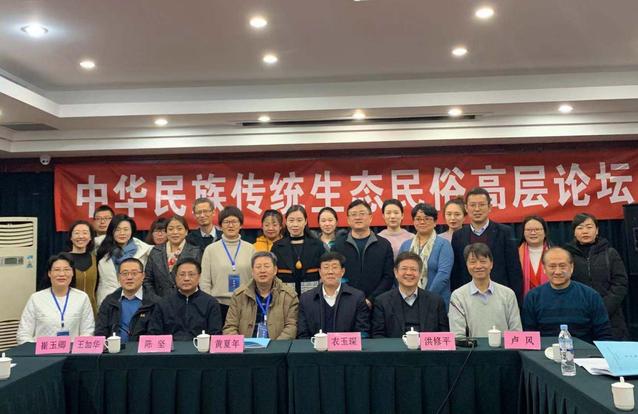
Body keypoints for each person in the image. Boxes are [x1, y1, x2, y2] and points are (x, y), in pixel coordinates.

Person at [522, 247, 613, 342]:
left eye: (562, 266)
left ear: (572, 267)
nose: (557, 272)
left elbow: (604, 335)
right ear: (544, 268)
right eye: (552, 266)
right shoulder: (533, 297)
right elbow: (529, 336)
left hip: (584, 350)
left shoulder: (590, 296)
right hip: (544, 350)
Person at [450, 187, 523, 305]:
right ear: (466, 208)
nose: (477, 209)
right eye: (473, 205)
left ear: (489, 207)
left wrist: (516, 302)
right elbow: (457, 272)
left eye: (481, 205)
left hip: (499, 297)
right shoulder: (458, 235)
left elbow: (514, 269)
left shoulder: (504, 232)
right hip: (468, 298)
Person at [564, 213, 629, 339]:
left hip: (610, 316)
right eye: (580, 228)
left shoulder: (610, 253)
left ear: (597, 230)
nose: (585, 231)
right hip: (579, 315)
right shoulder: (567, 255)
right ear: (574, 232)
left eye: (589, 227)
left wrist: (603, 308)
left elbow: (620, 283)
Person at [17, 253, 94, 344]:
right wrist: (35, 349)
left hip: (72, 351)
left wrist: (76, 349)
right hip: (41, 351)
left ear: (73, 273)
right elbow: (23, 334)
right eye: (57, 270)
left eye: (66, 269)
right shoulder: (36, 298)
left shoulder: (82, 298)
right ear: (49, 273)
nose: (62, 274)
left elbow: (88, 331)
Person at [449, 243, 522, 338]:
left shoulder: (508, 294)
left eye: (483, 261)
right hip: (472, 348)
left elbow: (516, 332)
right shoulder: (458, 296)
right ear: (467, 265)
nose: (478, 266)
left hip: (504, 347)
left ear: (491, 264)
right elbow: (458, 336)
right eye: (473, 262)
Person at [332, 200, 394, 307]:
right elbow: (335, 275)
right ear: (348, 220)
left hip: (378, 304)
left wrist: (371, 300)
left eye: (362, 214)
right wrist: (350, 298)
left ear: (370, 218)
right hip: (345, 303)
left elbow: (388, 277)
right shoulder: (338, 246)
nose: (358, 217)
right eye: (353, 214)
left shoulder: (384, 245)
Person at [371, 252, 449, 338]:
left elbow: (444, 335)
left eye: (413, 269)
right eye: (404, 268)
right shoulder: (382, 302)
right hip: (395, 346)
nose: (409, 273)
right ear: (396, 272)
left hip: (426, 347)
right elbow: (378, 336)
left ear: (420, 273)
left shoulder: (436, 301)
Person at [224, 252, 299, 339]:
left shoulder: (288, 296)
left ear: (275, 270)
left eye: (266, 266)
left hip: (276, 346)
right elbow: (230, 327)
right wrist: (242, 345)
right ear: (252, 271)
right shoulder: (239, 295)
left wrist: (275, 346)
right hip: (246, 346)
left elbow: (291, 327)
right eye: (258, 267)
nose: (262, 270)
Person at [200, 206, 256, 321]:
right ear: (220, 226)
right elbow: (204, 281)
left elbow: (255, 278)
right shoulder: (211, 249)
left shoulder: (250, 249)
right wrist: (209, 303)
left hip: (245, 303)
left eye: (234, 221)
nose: (230, 225)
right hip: (217, 304)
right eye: (226, 222)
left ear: (241, 225)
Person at [297, 251, 370, 338]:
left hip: (347, 346)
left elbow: (362, 333)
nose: (330, 272)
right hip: (315, 346)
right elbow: (303, 334)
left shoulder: (357, 297)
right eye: (326, 267)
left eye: (334, 267)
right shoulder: (306, 299)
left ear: (342, 271)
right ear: (320, 272)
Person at [148, 258, 223, 340]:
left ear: (199, 277)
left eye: (191, 274)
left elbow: (215, 334)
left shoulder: (211, 303)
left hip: (201, 347)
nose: (186, 278)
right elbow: (154, 334)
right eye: (182, 274)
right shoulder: (163, 304)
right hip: (171, 348)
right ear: (175, 277)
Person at [399, 203, 453, 306]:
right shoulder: (406, 245)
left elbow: (443, 275)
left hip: (436, 300)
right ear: (413, 222)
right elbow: (399, 272)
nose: (422, 222)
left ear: (435, 222)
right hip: (408, 300)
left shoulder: (443, 244)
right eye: (418, 219)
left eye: (427, 219)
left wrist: (425, 298)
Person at [95, 258, 161, 342]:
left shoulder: (155, 303)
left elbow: (157, 335)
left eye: (134, 273)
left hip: (142, 349)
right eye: (125, 273)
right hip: (113, 349)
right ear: (118, 277)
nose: (129, 277)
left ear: (143, 276)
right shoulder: (109, 301)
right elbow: (100, 332)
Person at [96, 215, 152, 307]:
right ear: (112, 231)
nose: (122, 233)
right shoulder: (100, 248)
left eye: (126, 229)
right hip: (106, 301)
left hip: (135, 300)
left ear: (132, 231)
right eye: (117, 230)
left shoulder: (144, 251)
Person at [271, 205, 325, 297]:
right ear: (286, 222)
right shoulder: (277, 247)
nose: (295, 224)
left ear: (305, 221)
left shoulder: (317, 245)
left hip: (312, 297)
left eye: (299, 220)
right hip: (285, 297)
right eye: (291, 220)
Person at [144, 215, 202, 298]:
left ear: (186, 232)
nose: (175, 232)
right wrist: (157, 300)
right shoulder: (156, 251)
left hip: (187, 300)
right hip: (160, 301)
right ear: (166, 232)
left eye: (179, 229)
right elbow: (147, 280)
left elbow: (200, 280)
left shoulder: (195, 252)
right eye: (171, 229)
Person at [67, 220, 98, 315]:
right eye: (76, 233)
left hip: (91, 310)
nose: (81, 236)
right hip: (68, 309)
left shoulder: (96, 259)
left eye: (85, 233)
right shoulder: (62, 259)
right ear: (71, 237)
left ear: (90, 237)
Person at [519, 215, 550, 296]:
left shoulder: (556, 254)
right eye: (528, 230)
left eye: (537, 229)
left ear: (545, 232)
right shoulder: (515, 254)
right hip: (522, 299)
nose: (533, 233)